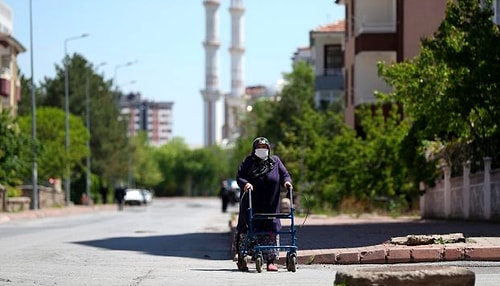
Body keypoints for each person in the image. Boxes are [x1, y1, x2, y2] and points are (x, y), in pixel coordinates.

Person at [235, 136, 293, 272]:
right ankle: (245, 257)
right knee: (250, 228)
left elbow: (285, 175)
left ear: (269, 149)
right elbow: (239, 177)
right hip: (251, 203)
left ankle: (271, 262)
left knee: (270, 230)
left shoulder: (275, 161)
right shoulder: (248, 161)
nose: (262, 150)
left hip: (270, 205)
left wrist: (287, 182)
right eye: (259, 147)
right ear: (254, 149)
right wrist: (246, 184)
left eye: (264, 147)